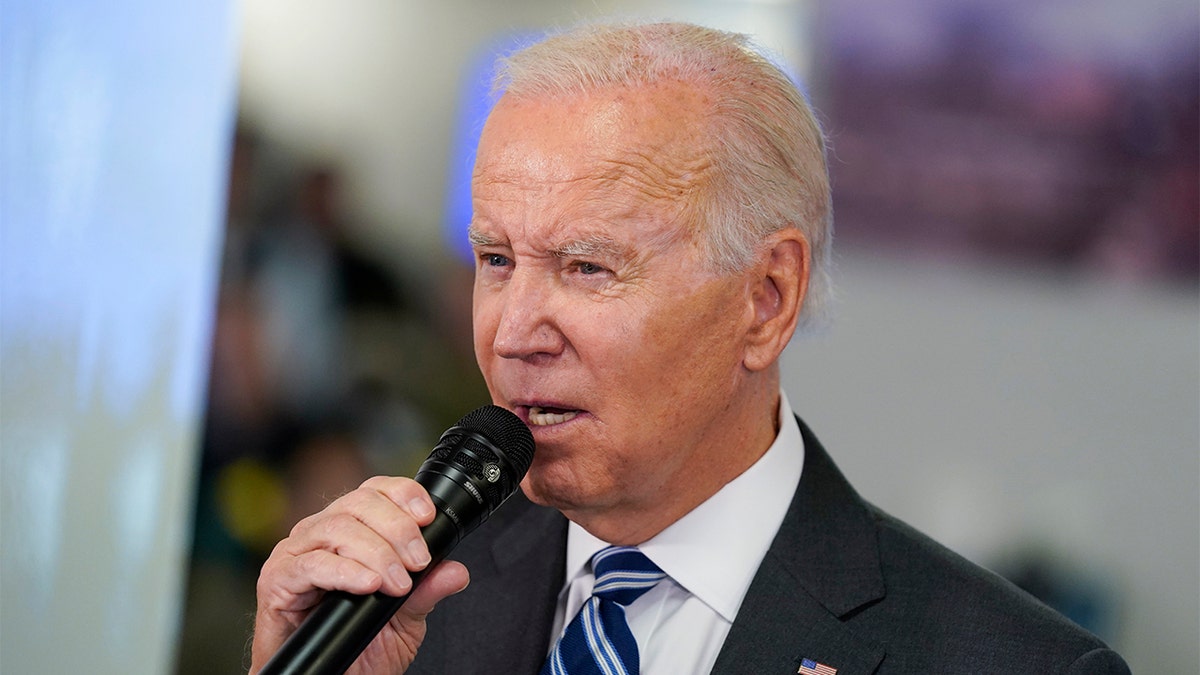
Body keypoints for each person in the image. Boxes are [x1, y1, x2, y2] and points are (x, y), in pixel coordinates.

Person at [251, 21, 1130, 674]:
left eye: (588, 266)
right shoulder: (405, 608)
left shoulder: (1010, 665)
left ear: (765, 299)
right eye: (496, 259)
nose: (512, 331)